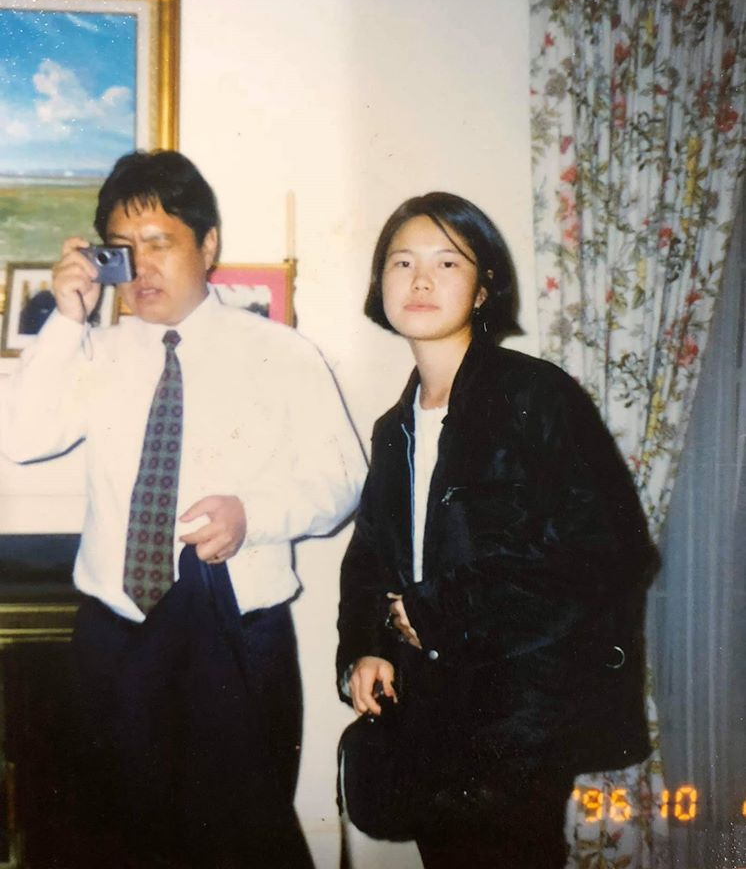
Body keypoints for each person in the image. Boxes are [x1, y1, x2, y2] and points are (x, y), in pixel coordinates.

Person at [0, 149, 366, 869]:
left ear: (209, 244)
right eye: (122, 249)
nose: (141, 268)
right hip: (113, 638)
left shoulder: (282, 352)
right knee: (111, 844)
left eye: (160, 243)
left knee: (235, 845)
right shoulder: (95, 353)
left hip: (236, 639)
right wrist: (65, 322)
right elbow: (17, 438)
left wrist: (253, 515)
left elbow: (344, 478)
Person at [336, 192, 659, 869]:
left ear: (483, 289)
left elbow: (608, 551)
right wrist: (367, 647)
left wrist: (440, 609)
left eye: (447, 262)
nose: (421, 280)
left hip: (517, 716)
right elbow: (371, 558)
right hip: (426, 709)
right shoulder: (395, 426)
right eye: (402, 262)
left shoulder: (536, 395)